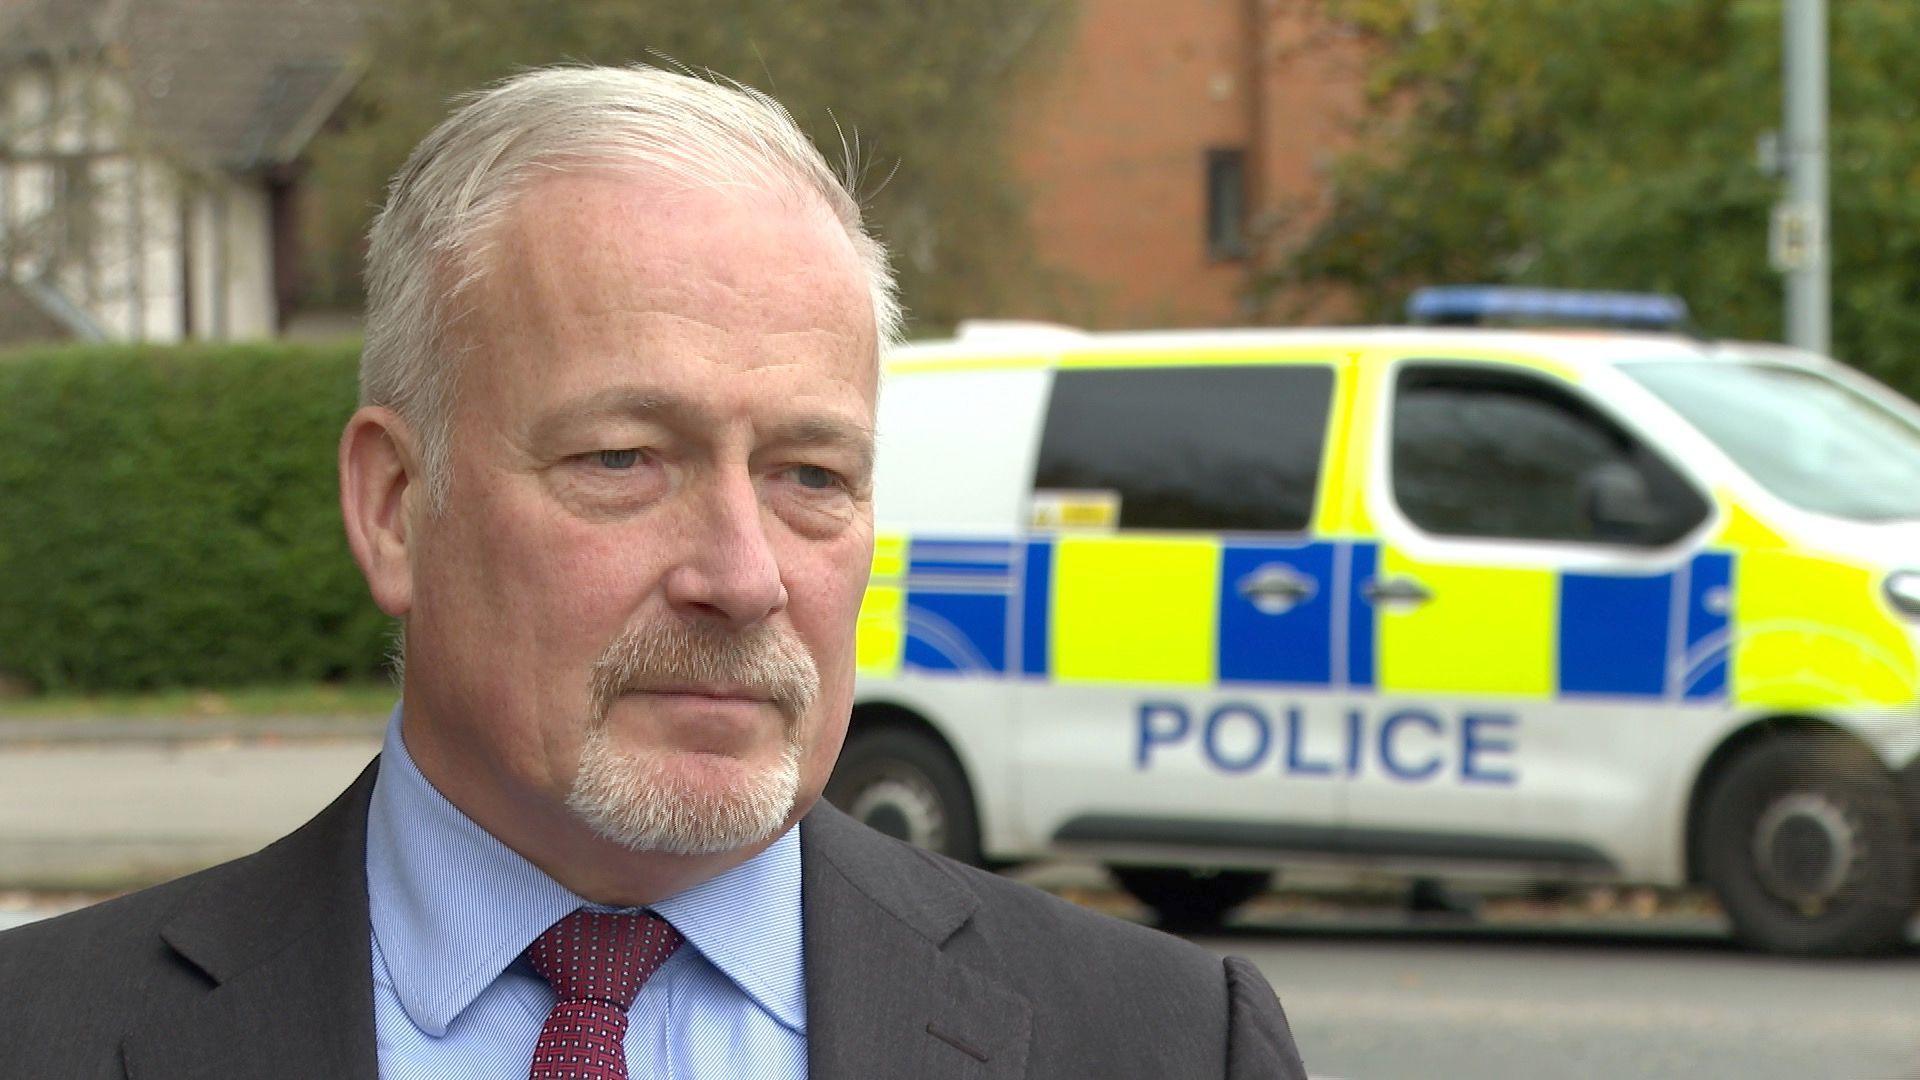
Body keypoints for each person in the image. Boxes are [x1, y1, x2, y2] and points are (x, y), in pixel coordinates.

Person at [0, 65, 1308, 1078]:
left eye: (812, 476)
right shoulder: (45, 1038)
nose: (744, 578)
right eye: (625, 459)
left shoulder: (1170, 1045)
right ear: (397, 508)